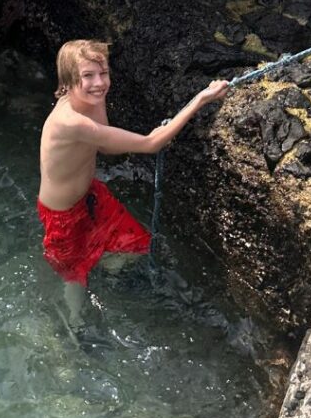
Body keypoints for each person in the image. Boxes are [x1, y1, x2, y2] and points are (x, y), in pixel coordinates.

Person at [38, 39, 230, 322]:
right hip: (62, 217)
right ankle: (74, 326)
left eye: (103, 73)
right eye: (88, 76)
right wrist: (201, 99)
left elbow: (104, 145)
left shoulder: (90, 98)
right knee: (75, 277)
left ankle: (105, 268)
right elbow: (152, 144)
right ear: (67, 81)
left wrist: (102, 100)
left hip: (91, 196)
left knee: (135, 245)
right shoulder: (70, 121)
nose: (99, 83)